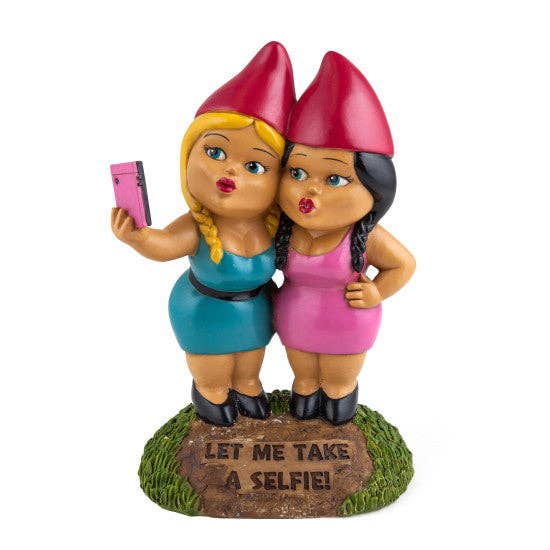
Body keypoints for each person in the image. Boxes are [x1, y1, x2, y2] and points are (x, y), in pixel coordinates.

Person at [112, 42, 295, 426]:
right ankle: (211, 393)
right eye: (215, 153)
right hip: (204, 312)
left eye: (255, 166)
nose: (231, 171)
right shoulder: (198, 223)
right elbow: (166, 244)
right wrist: (139, 237)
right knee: (213, 370)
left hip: (255, 314)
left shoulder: (274, 225)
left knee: (248, 366)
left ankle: (247, 387)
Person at [274, 51, 415, 425]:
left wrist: (377, 292)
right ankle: (305, 409)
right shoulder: (284, 228)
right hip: (296, 322)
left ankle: (339, 413)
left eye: (334, 179)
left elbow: (404, 264)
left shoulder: (364, 235)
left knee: (337, 384)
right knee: (304, 382)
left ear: (374, 187)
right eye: (297, 173)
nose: (310, 190)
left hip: (347, 324)